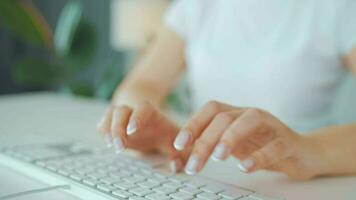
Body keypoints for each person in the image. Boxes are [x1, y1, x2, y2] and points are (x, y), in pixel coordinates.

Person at [97, 0, 356, 180]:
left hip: (305, 185)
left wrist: (311, 150)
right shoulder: (197, 6)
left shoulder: (337, 7)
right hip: (206, 176)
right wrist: (144, 121)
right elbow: (141, 85)